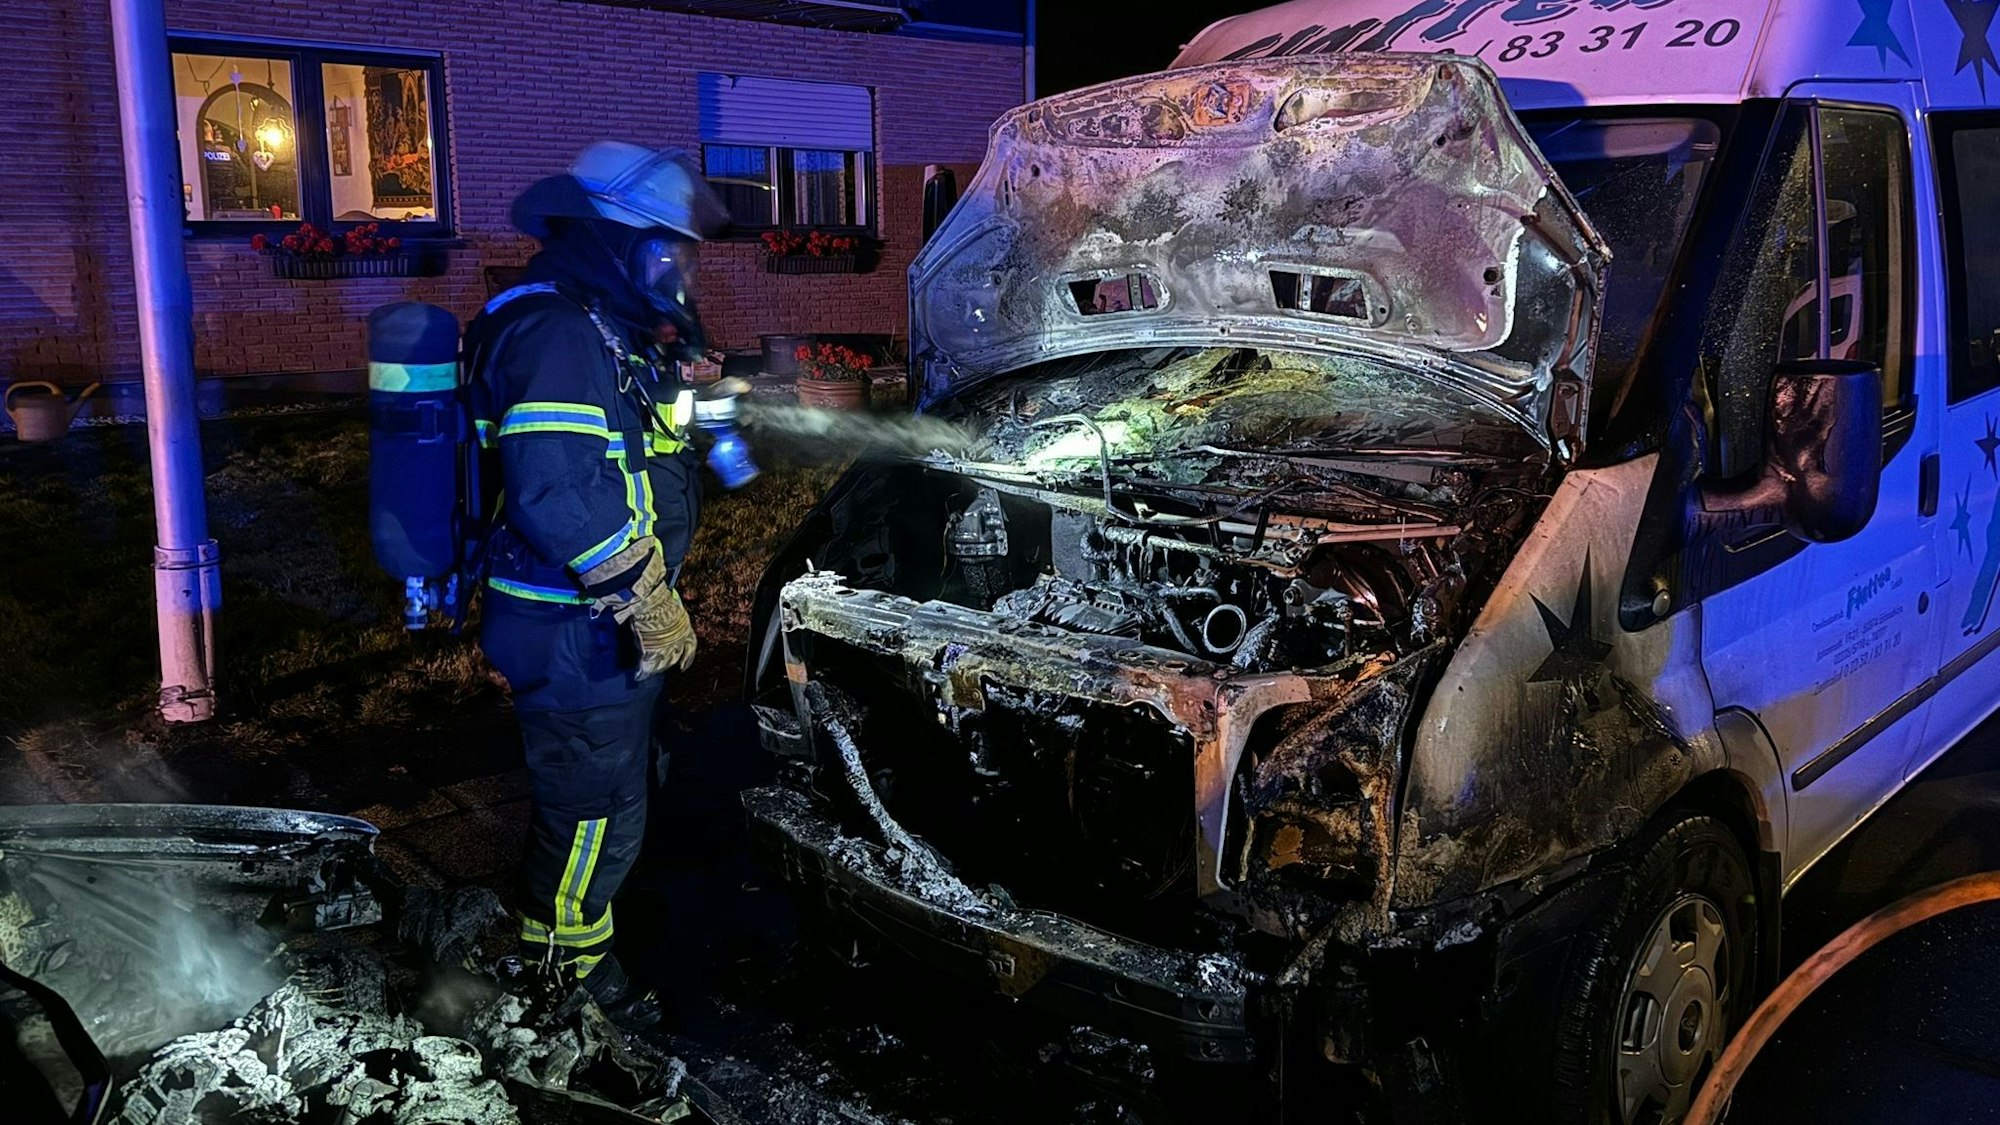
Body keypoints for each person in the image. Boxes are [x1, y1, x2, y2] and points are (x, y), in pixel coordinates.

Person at [466, 143, 728, 1029]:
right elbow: (558, 490)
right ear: (617, 241)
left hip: (594, 616)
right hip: (577, 618)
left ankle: (592, 922)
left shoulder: (592, 323)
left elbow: (636, 450)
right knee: (592, 805)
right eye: (669, 252)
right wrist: (647, 596)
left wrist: (692, 392)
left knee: (618, 780)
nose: (681, 272)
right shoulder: (557, 333)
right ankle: (562, 974)